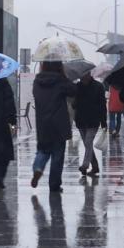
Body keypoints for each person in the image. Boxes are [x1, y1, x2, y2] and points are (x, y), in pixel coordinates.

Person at [31, 61, 77, 192]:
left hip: (43, 123)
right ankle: (54, 184)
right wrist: (64, 77)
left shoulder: (37, 81)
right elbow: (73, 91)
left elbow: (36, 95)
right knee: (58, 154)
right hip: (59, 123)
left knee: (43, 150)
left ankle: (38, 168)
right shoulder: (60, 80)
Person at [74, 72, 108, 176]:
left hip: (93, 120)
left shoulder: (98, 86)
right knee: (87, 145)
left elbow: (102, 104)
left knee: (88, 142)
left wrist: (103, 121)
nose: (82, 77)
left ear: (89, 74)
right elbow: (74, 104)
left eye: (84, 75)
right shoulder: (77, 87)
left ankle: (85, 165)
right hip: (80, 119)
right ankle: (95, 167)